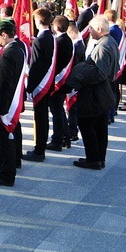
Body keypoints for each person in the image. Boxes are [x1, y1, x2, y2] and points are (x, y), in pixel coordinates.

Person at [63, 15, 119, 170]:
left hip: (95, 94)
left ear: (100, 29)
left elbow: (100, 73)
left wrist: (81, 77)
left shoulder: (102, 46)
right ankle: (99, 158)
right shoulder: (109, 42)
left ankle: (93, 159)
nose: (90, 31)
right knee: (100, 127)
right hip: (102, 93)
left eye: (92, 28)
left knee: (88, 125)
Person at [0, 18, 27, 187]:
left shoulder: (8, 54)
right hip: (12, 102)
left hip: (6, 104)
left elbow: (4, 83)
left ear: (5, 34)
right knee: (2, 138)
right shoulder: (18, 48)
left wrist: (1, 109)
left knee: (5, 139)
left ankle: (7, 175)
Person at [23, 8, 56, 162]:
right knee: (42, 117)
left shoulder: (40, 40)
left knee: (40, 118)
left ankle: (39, 150)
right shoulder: (50, 37)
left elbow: (36, 65)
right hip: (47, 82)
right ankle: (39, 147)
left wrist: (29, 87)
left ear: (38, 21)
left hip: (40, 83)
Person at [46, 15, 73, 151]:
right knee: (59, 111)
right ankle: (65, 136)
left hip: (58, 82)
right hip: (62, 82)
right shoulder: (66, 39)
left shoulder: (60, 42)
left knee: (56, 111)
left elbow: (55, 63)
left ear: (56, 27)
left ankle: (57, 139)